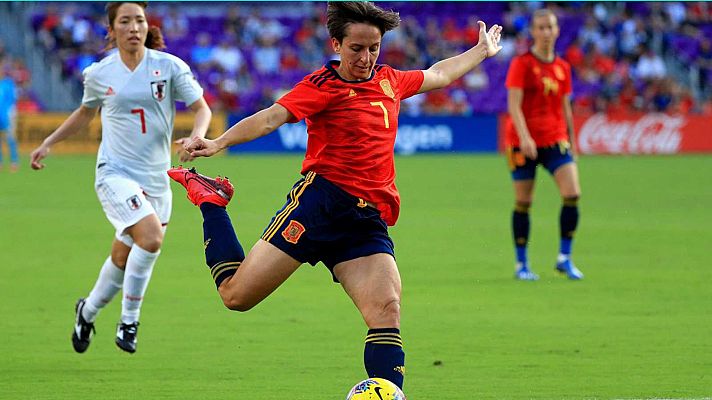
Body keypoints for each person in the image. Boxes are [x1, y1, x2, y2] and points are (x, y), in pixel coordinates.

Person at [167, 1, 501, 389]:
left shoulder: (390, 80)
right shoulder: (322, 86)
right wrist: (218, 142)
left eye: (374, 47)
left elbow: (438, 73)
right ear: (336, 45)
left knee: (386, 309)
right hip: (318, 207)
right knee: (236, 296)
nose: (366, 57)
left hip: (365, 220)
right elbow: (273, 116)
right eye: (357, 48)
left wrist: (480, 51)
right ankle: (210, 199)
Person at [29, 1, 211, 353]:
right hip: (115, 172)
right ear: (112, 30)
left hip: (156, 178)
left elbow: (201, 108)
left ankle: (88, 310)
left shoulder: (169, 67)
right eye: (125, 21)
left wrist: (197, 136)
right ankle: (129, 321)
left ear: (147, 26)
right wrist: (49, 141)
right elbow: (85, 113)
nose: (133, 27)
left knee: (124, 256)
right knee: (151, 238)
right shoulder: (100, 73)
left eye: (139, 20)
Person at [504, 9, 584, 281]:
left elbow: (565, 107)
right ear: (533, 32)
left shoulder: (563, 67)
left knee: (572, 193)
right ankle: (521, 264)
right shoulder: (522, 63)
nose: (546, 32)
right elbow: (513, 105)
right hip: (521, 142)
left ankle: (564, 258)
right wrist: (525, 137)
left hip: (555, 137)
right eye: (541, 27)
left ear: (557, 30)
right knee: (524, 201)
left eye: (550, 27)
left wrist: (573, 141)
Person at [0, 66, 18, 172]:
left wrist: (9, 114)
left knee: (10, 138)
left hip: (7, 115)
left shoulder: (8, 84)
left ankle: (14, 161)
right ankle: (0, 162)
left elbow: (12, 100)